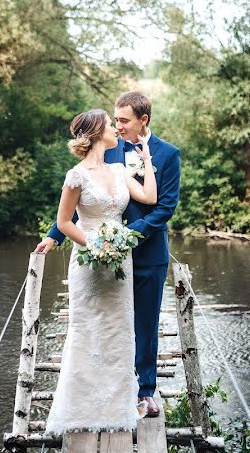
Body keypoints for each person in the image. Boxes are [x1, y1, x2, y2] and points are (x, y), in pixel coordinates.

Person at [36, 92, 181, 418]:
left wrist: (126, 238)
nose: (118, 126)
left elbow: (164, 208)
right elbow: (81, 206)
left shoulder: (168, 155)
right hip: (102, 256)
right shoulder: (110, 155)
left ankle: (144, 392)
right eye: (114, 121)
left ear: (143, 120)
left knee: (144, 325)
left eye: (124, 120)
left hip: (146, 253)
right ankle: (101, 394)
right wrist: (53, 235)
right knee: (107, 324)